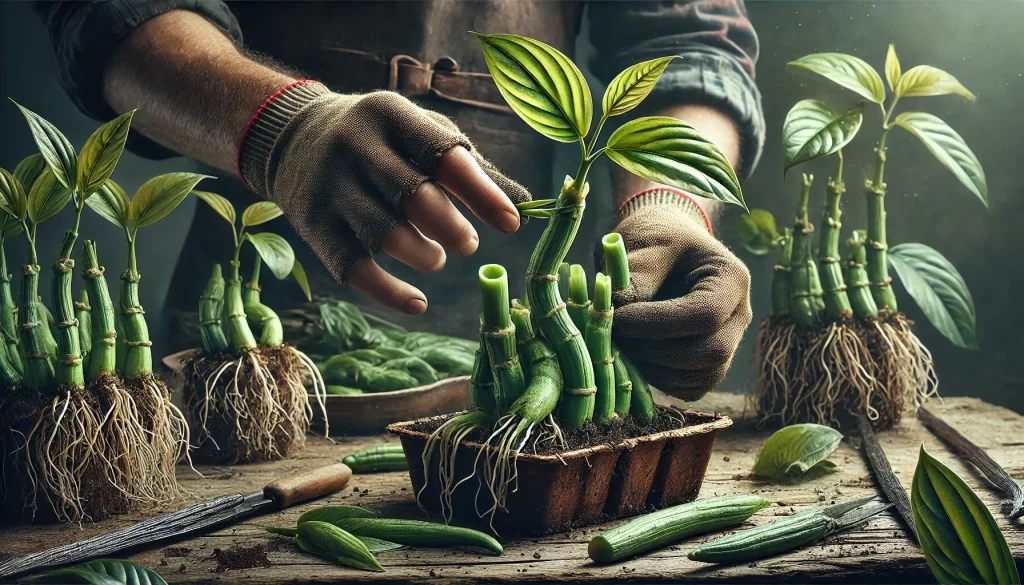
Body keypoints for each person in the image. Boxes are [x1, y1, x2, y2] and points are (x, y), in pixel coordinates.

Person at [34, 0, 763, 401]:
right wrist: (286, 131)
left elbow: (686, 35)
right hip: (244, 357)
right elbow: (110, 8)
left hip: (525, 350)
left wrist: (670, 205)